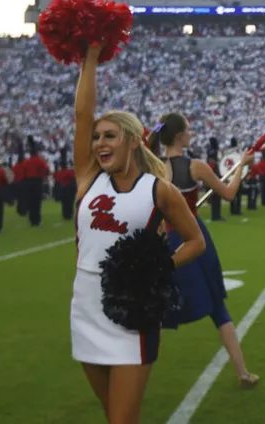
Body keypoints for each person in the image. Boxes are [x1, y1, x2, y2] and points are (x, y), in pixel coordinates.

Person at [70, 44, 206, 424]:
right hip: (85, 305)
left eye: (110, 136)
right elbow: (82, 114)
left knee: (122, 420)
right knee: (115, 414)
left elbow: (196, 242)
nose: (99, 143)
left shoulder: (158, 190)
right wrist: (91, 58)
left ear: (132, 140)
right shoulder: (88, 179)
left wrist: (158, 267)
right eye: (97, 137)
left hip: (132, 311)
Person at [149, 112, 260, 388]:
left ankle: (134, 376)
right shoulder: (195, 166)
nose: (191, 133)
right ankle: (243, 373)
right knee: (217, 307)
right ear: (178, 136)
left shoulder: (151, 167)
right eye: (188, 129)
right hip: (194, 237)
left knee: (154, 311)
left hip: (162, 240)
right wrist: (242, 167)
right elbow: (229, 194)